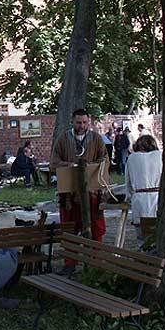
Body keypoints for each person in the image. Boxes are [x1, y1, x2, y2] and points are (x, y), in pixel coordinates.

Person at [51, 109, 109, 275]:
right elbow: (54, 162)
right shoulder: (63, 139)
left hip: (92, 193)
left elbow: (105, 159)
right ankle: (70, 263)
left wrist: (91, 168)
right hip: (69, 194)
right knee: (70, 228)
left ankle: (95, 262)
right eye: (78, 122)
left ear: (88, 122)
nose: (82, 125)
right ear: (72, 121)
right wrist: (67, 165)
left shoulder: (96, 139)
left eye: (84, 122)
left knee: (95, 228)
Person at [125, 135, 162, 247]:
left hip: (139, 199)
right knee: (158, 232)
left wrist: (128, 197)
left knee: (141, 236)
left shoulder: (132, 158)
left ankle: (144, 258)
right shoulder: (160, 156)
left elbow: (128, 182)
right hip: (157, 197)